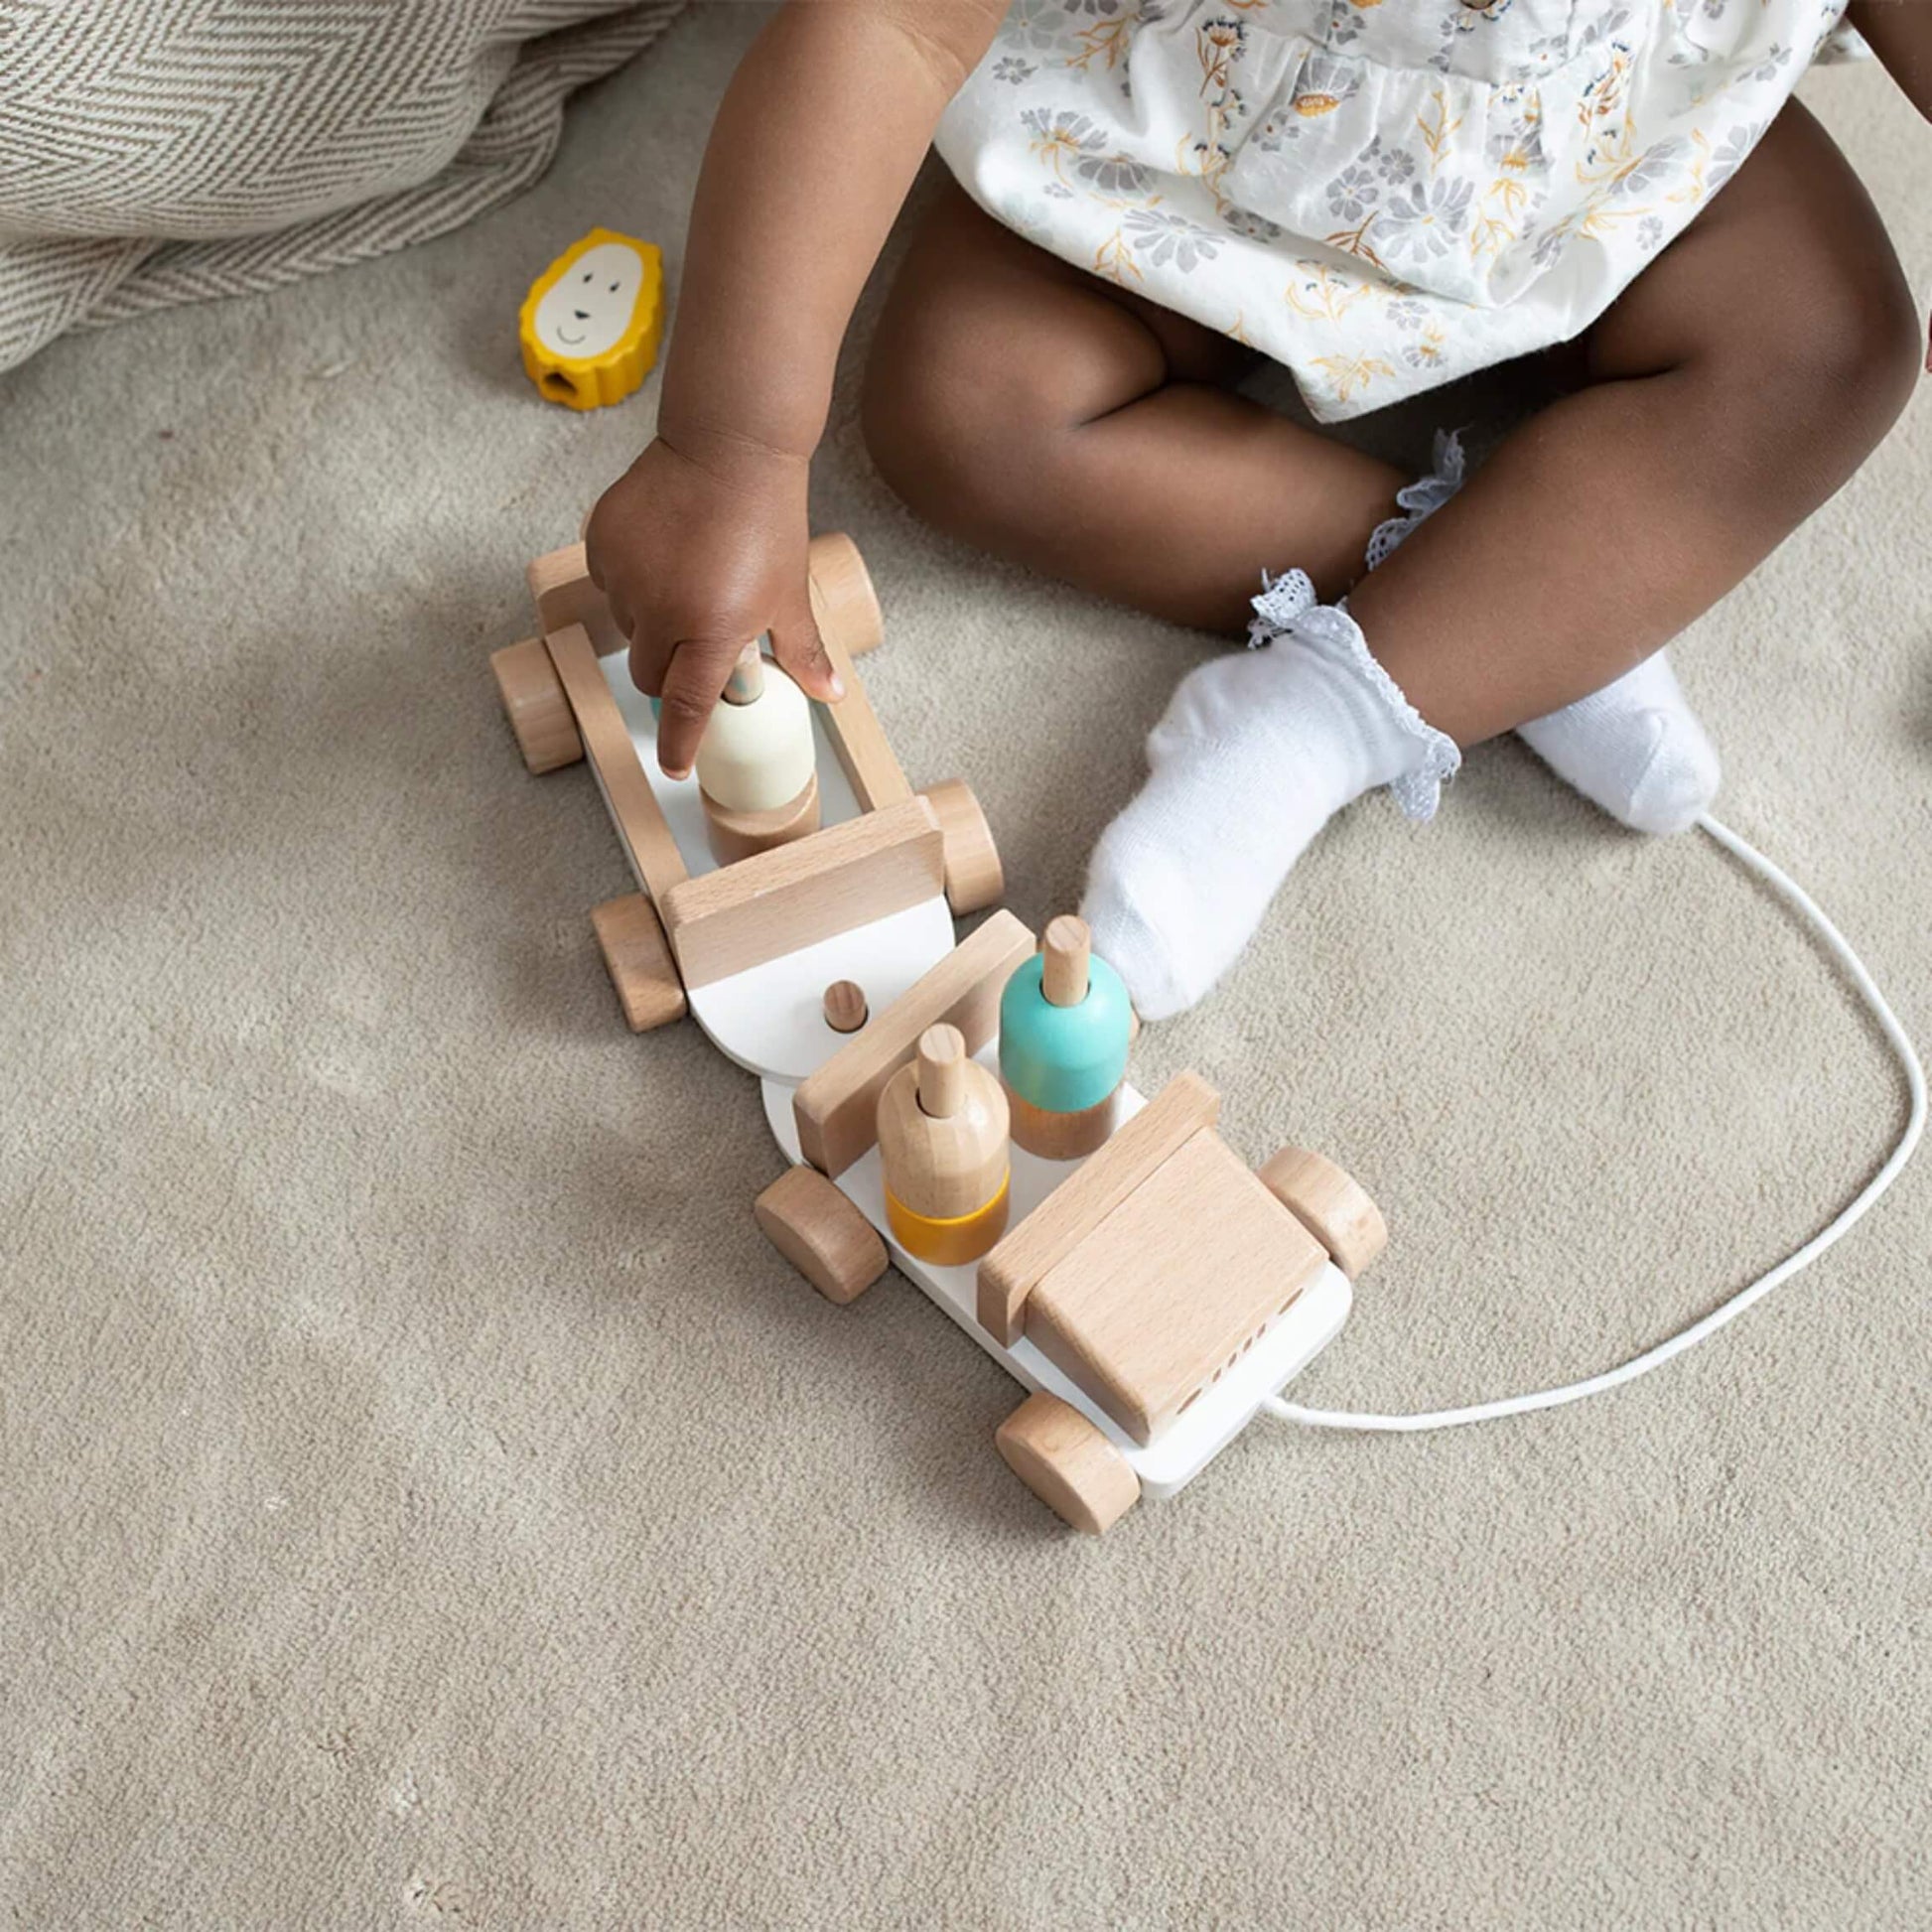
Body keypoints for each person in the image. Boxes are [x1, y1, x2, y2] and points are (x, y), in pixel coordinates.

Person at [584, 0, 1927, 1019]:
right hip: (1206, 116)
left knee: (1829, 343)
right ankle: (1509, 596)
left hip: (1597, 135)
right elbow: (889, 23)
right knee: (969, 402)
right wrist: (731, 449)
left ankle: (1318, 719)